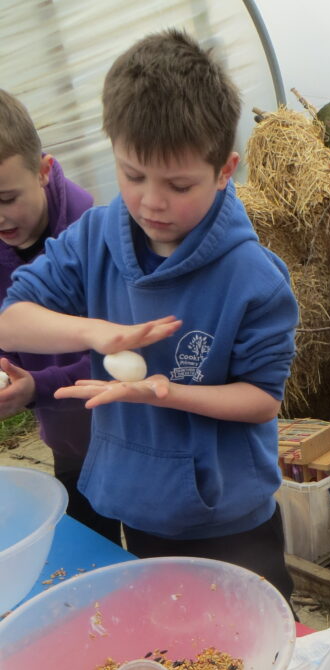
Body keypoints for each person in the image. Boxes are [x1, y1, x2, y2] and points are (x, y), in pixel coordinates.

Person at [0, 31, 297, 603]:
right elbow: (11, 317)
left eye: (178, 184)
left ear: (224, 170)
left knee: (252, 640)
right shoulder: (94, 238)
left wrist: (166, 392)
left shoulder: (254, 279)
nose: (152, 203)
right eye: (132, 175)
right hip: (139, 501)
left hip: (230, 519)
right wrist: (95, 331)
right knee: (169, 641)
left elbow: (262, 398)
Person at [0, 90, 120, 542]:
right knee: (92, 557)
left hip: (128, 438)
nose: (1, 216)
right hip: (67, 441)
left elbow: (117, 357)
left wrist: (39, 387)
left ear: (44, 169)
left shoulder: (94, 237)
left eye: (8, 197)